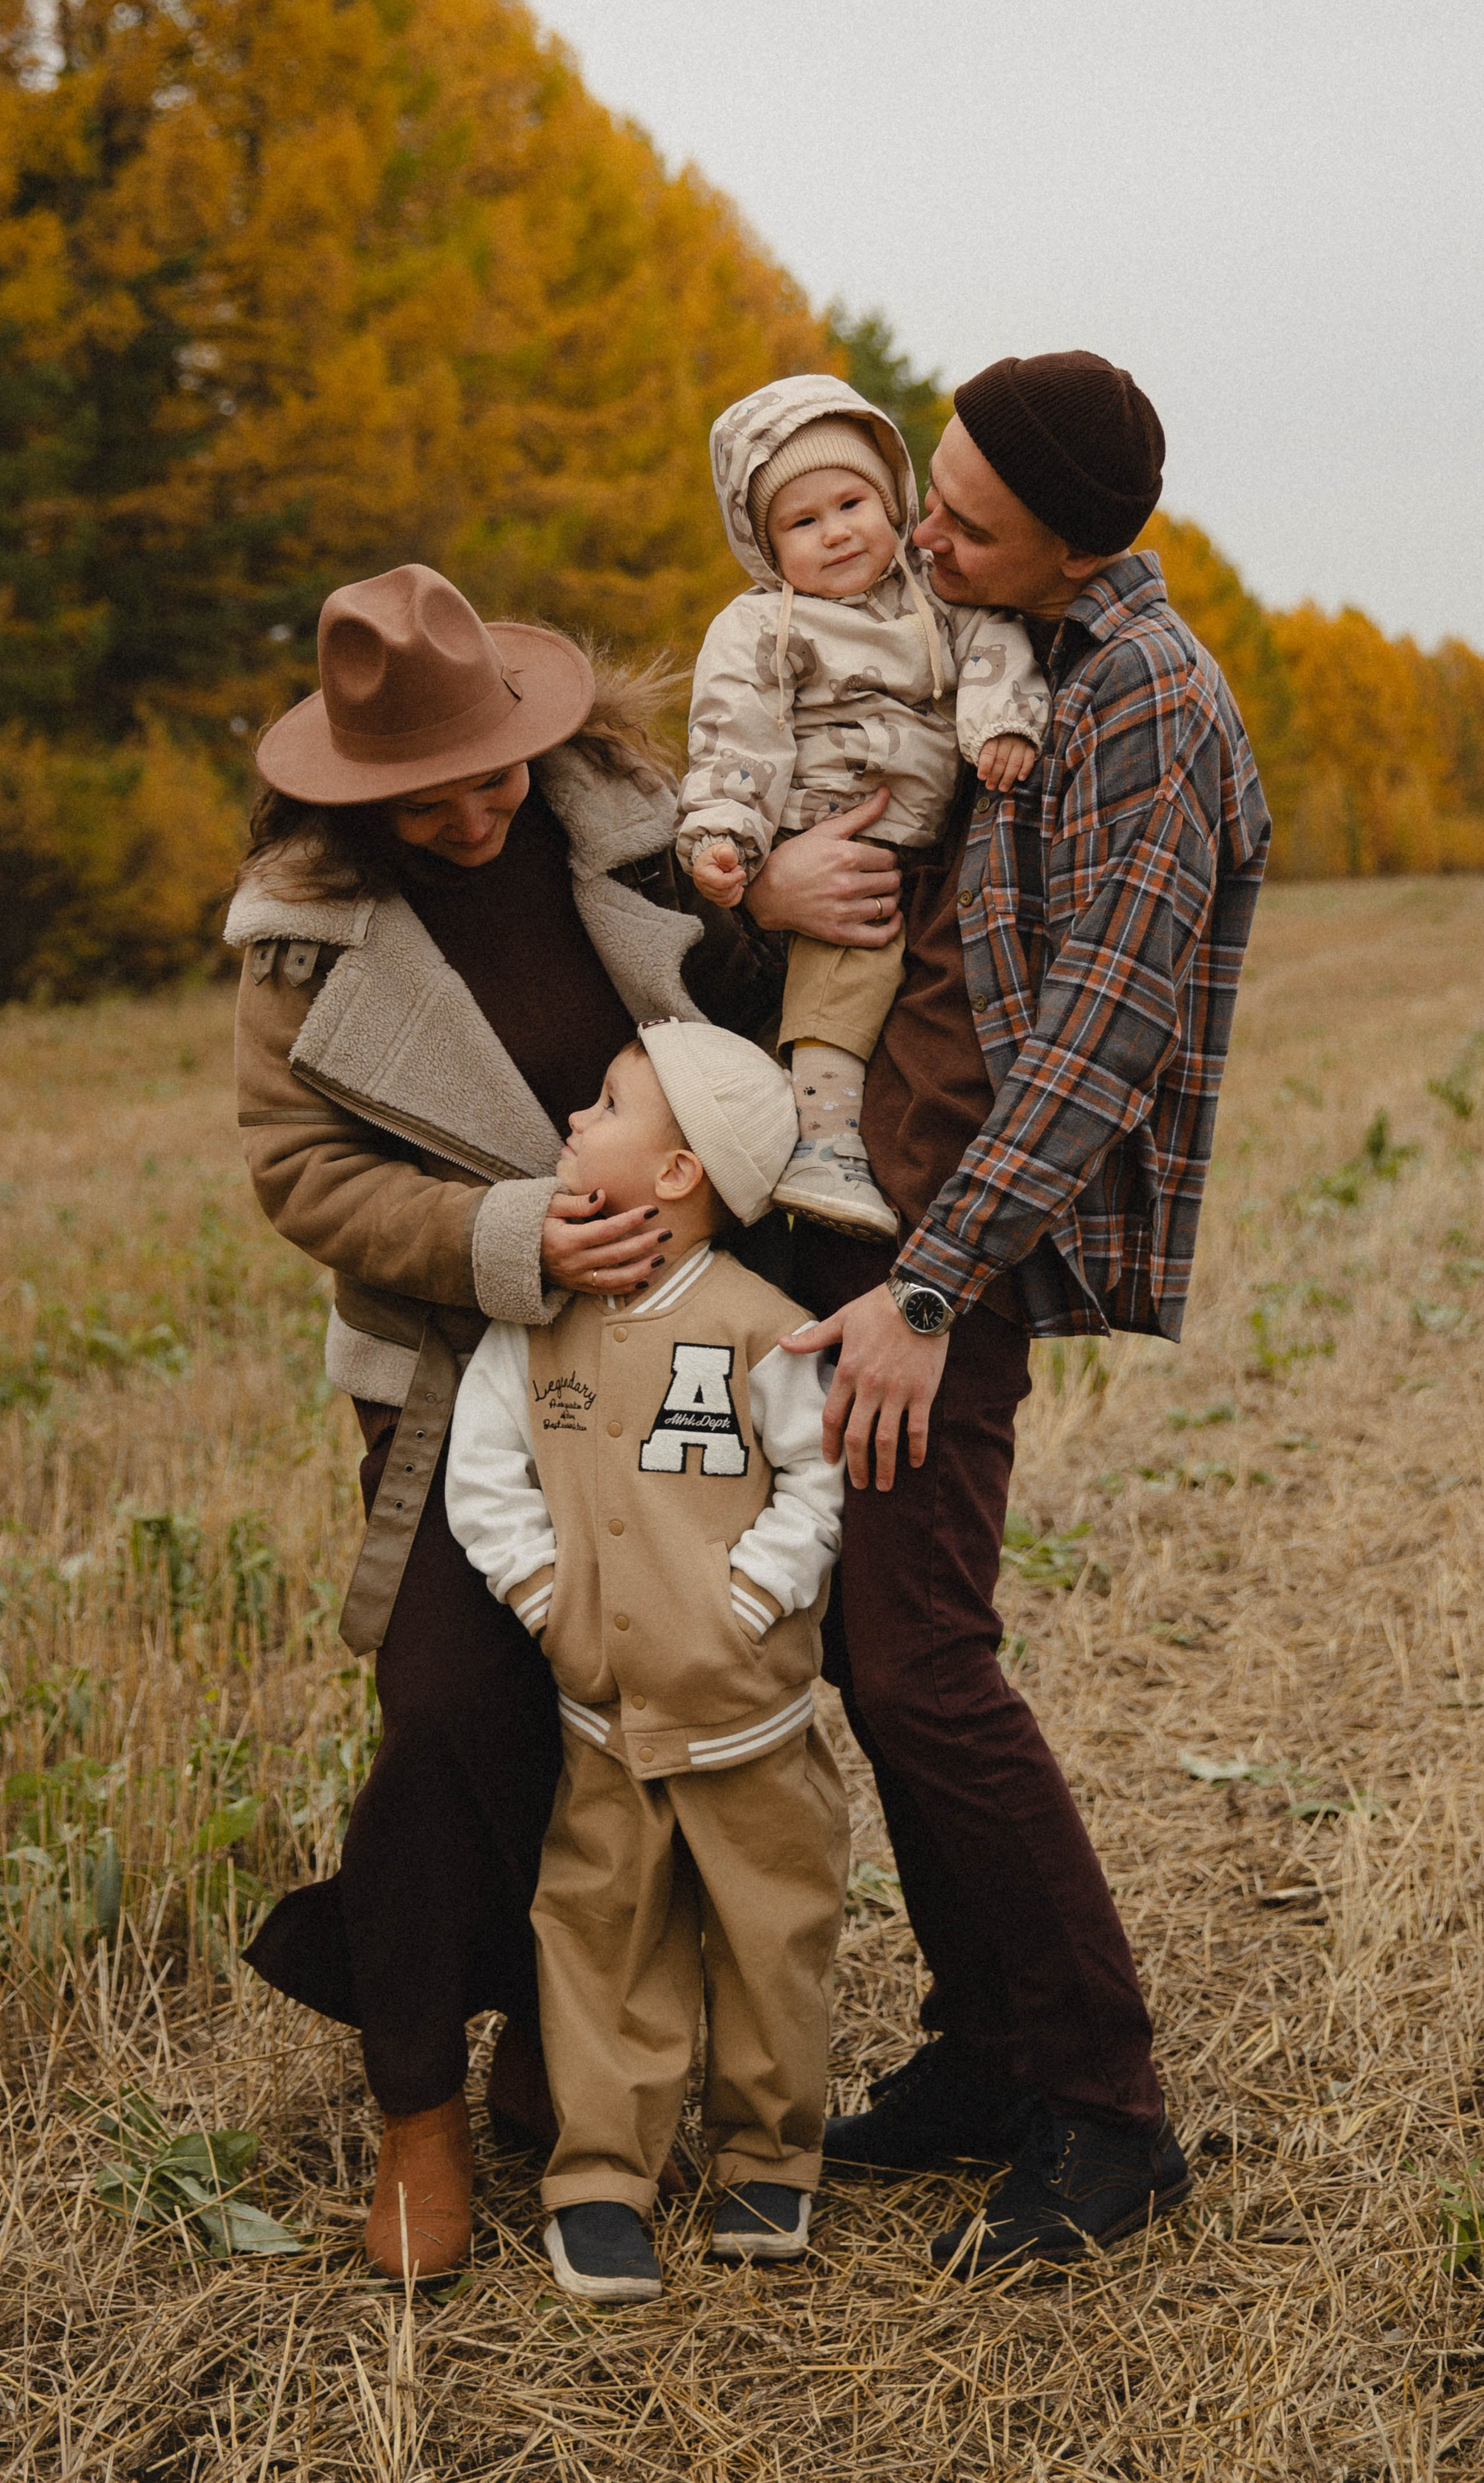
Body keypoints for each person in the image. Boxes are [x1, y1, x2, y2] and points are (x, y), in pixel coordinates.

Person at [227, 563, 897, 2281]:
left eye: (493, 768)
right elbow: (299, 1173)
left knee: (637, 1694)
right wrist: (505, 1236)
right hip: (466, 1366)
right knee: (451, 1700)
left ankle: (568, 2041)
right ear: (347, 791)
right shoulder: (301, 936)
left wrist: (787, 894)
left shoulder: (635, 821)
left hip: (684, 1347)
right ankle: (415, 2111)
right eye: (424, 792)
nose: (472, 810)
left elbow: (749, 1019)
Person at [782, 350, 1272, 2275]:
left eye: (966, 519)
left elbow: (1095, 1038)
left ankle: (1100, 2100)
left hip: (953, 1240)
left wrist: (924, 1282)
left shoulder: (1149, 698)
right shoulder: (1005, 655)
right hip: (885, 1210)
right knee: (863, 1637)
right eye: (936, 495)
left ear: (1074, 541)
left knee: (919, 1658)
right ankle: (984, 2048)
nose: (923, 531)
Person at [447, 1020, 847, 2305]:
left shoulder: (759, 1328)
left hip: (749, 1720)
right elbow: (483, 1476)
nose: (573, 1118)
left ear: (677, 1174)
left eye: (606, 1104)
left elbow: (817, 1481)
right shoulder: (538, 1324)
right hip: (603, 1721)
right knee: (602, 1939)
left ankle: (767, 2155)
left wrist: (752, 1597)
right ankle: (603, 2180)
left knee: (770, 1935)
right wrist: (548, 1593)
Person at [678, 376, 1049, 1239]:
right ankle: (824, 1141)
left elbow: (999, 639)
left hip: (934, 840)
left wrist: (1000, 721)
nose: (836, 531)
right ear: (767, 547)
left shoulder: (934, 594)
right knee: (848, 966)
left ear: (891, 499)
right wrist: (727, 833)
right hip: (829, 829)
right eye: (802, 524)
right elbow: (737, 735)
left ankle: (917, 1170)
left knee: (929, 1007)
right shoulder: (763, 625)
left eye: (851, 503)